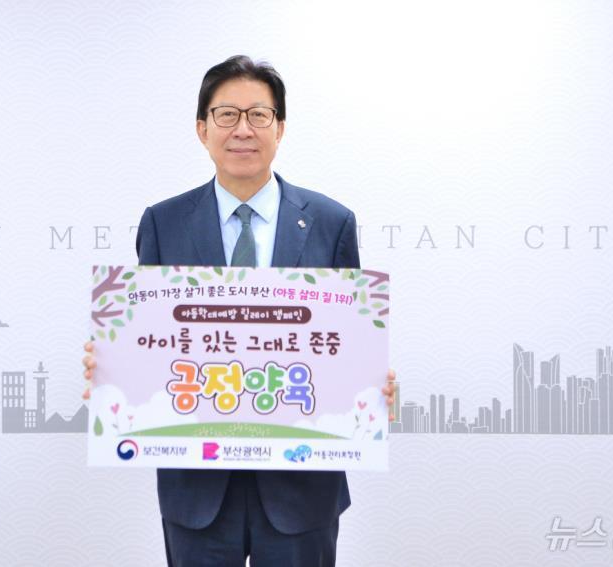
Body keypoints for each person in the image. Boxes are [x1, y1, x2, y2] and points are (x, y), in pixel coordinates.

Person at [82, 55, 396, 567]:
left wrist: (370, 385)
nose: (243, 129)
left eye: (259, 115)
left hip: (303, 485)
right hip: (198, 490)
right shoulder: (163, 222)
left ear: (281, 127)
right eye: (227, 115)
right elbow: (149, 336)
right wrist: (116, 370)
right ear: (202, 129)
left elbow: (347, 342)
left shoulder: (331, 222)